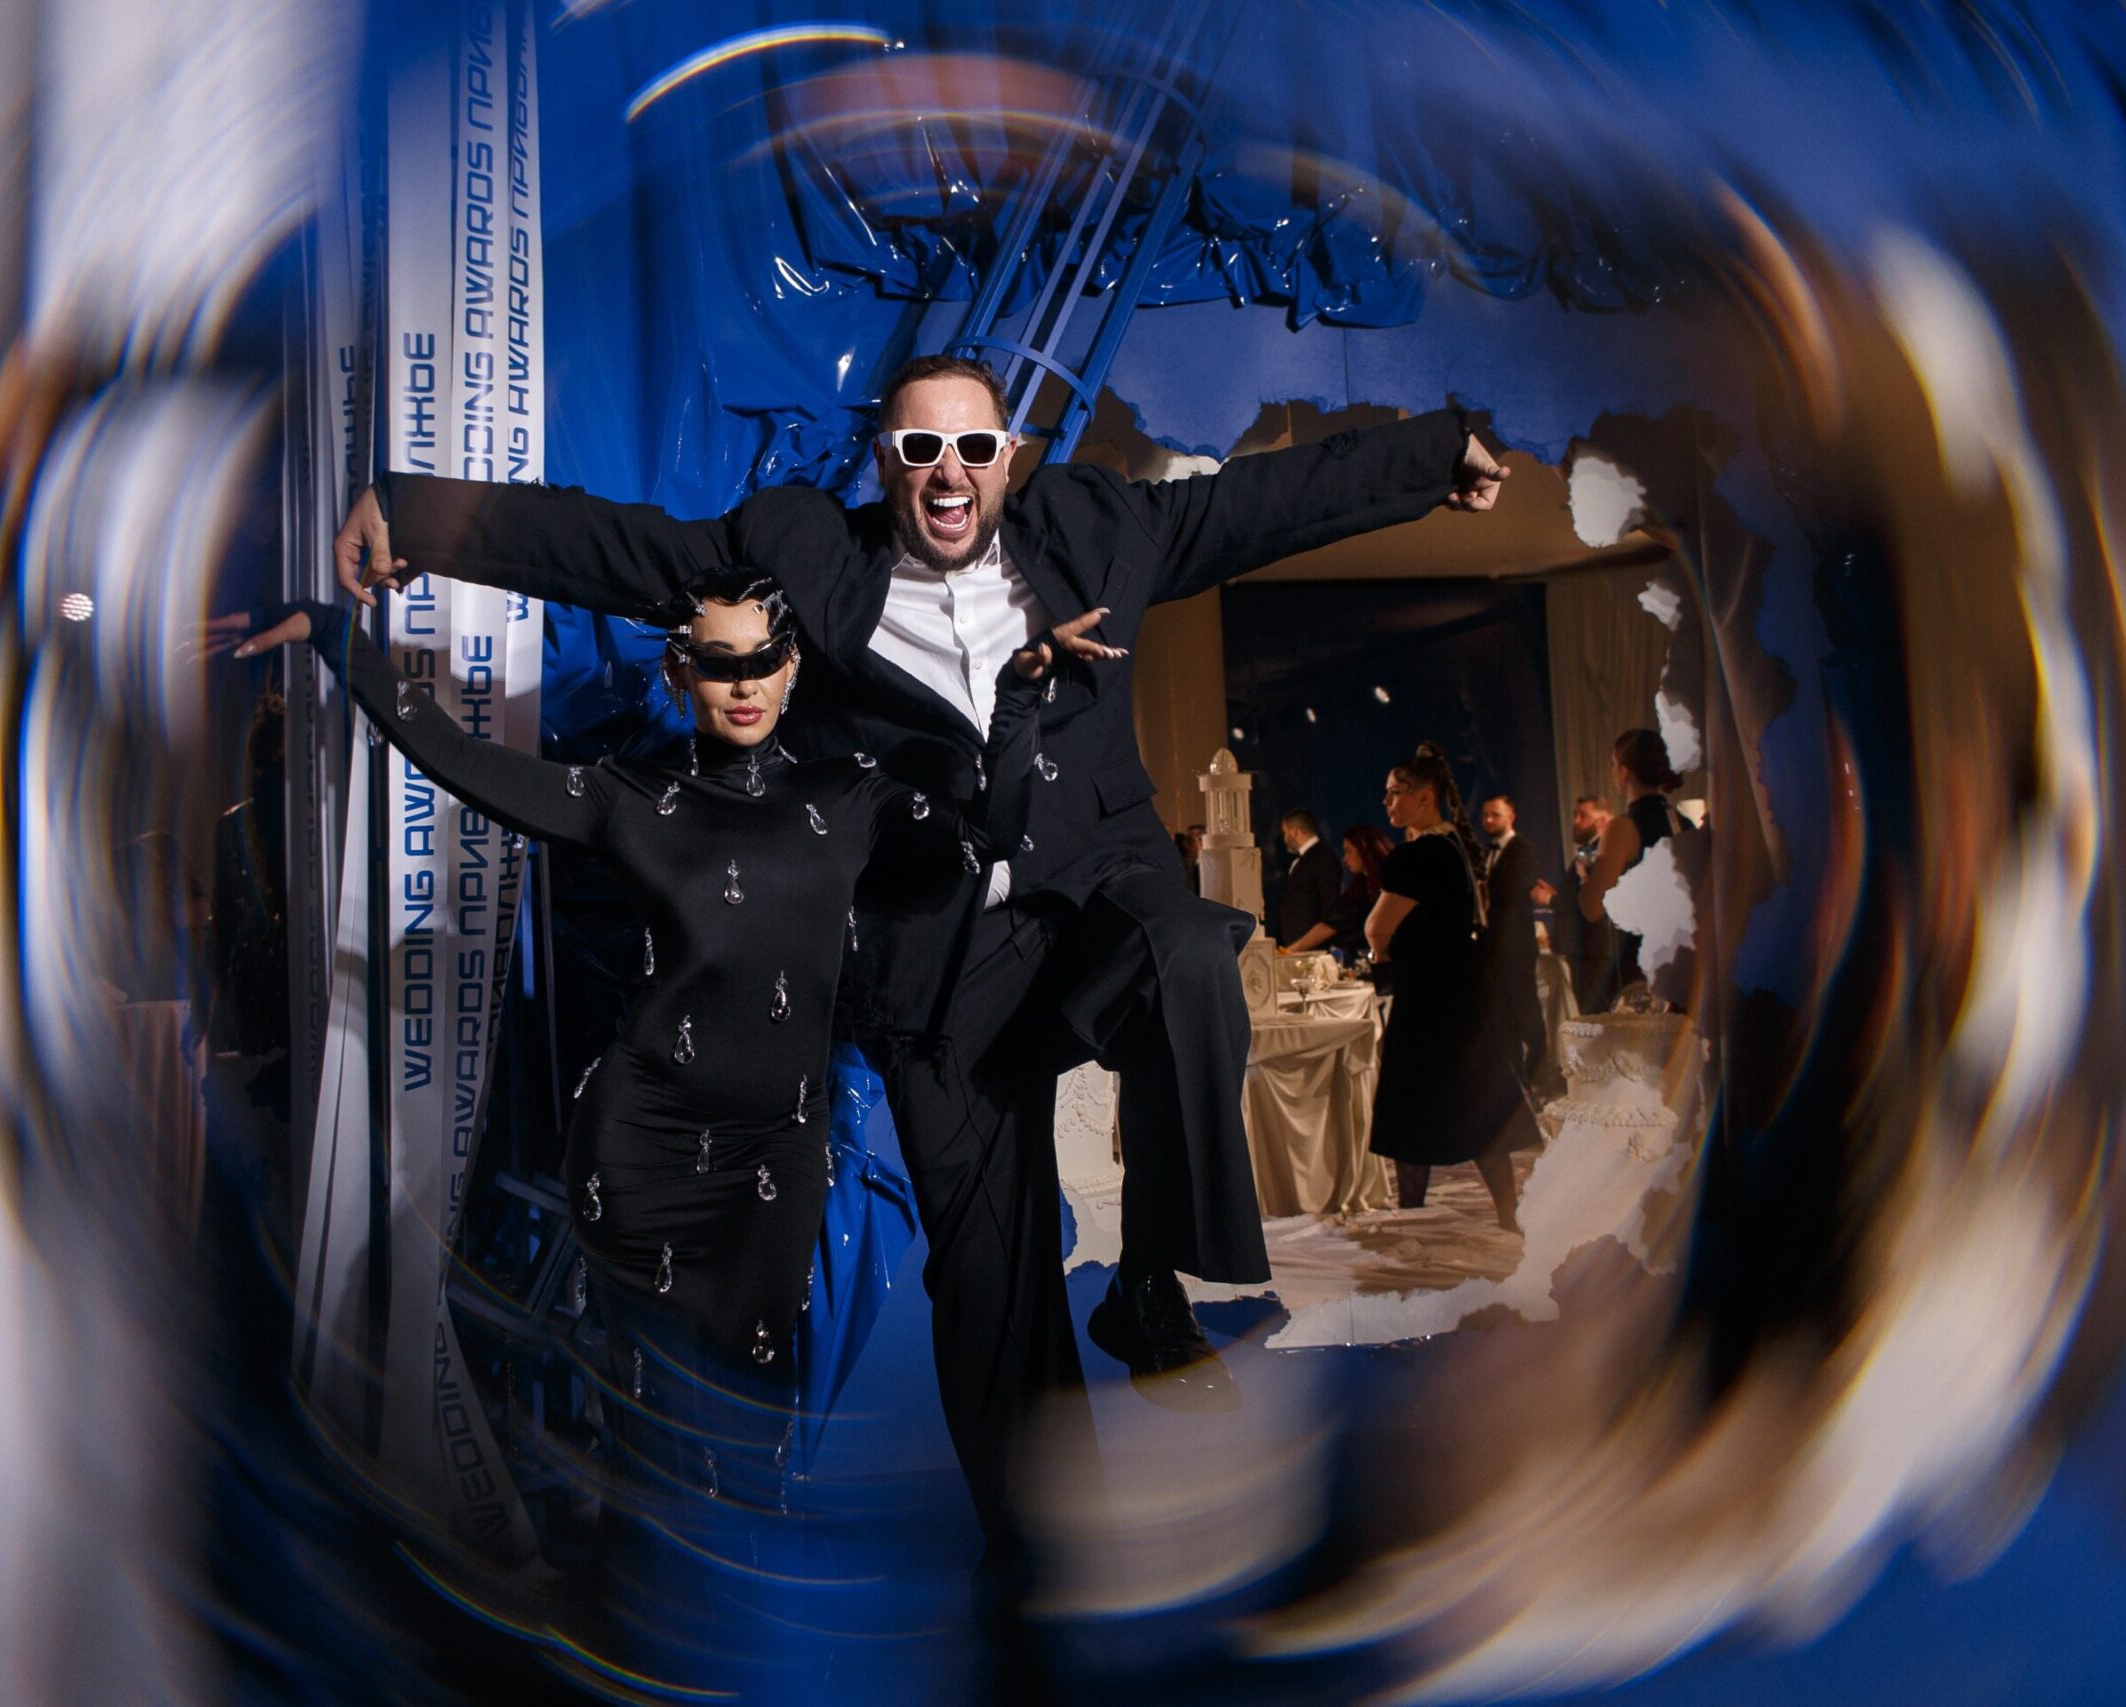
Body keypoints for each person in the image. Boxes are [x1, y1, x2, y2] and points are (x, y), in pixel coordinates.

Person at [309, 350, 1510, 1553]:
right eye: (921, 448)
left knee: (1191, 954)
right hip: (945, 963)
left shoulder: (1097, 530)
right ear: (885, 463)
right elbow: (619, 549)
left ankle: (1151, 1287)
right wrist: (417, 516)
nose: (948, 471)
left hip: (1099, 898)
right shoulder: (804, 559)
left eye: (973, 447)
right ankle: (1036, 1559)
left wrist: (1434, 450)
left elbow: (1263, 500)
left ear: (1009, 459)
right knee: (992, 1283)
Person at [210, 577, 1105, 1507]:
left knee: (756, 1429)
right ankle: (638, 1579)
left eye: (763, 659)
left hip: (777, 1149)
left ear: (793, 667)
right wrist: (333, 633)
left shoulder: (850, 796)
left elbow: (986, 838)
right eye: (718, 664)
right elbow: (457, 757)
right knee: (650, 1440)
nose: (744, 683)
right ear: (680, 672)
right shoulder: (630, 796)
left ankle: (727, 1583)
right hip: (639, 1154)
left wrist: (1018, 704)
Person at [1364, 747, 1523, 1233]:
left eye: (1395, 792)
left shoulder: (1416, 856)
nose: (1387, 802)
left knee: (1412, 1103)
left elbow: (1376, 929)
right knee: (1476, 1101)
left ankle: (1412, 1215)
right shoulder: (1455, 846)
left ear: (1425, 796)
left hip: (1428, 997)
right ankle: (1508, 1214)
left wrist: (1380, 955)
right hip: (1466, 991)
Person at [1580, 729, 1680, 998]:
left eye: (1613, 764)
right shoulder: (1683, 823)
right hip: (1682, 959)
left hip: (1640, 965)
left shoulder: (1623, 827)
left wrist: (1586, 876)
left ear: (1624, 772)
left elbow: (1592, 907)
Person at [1477, 794, 1545, 1081]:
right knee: (1502, 1015)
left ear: (1511, 816)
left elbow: (1516, 892)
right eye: (1485, 815)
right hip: (1492, 947)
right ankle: (1514, 1077)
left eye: (1496, 814)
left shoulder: (1523, 850)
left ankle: (1540, 1070)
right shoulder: (1485, 853)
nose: (1489, 820)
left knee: (1524, 1010)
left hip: (1516, 946)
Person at [1533, 794, 1616, 1011]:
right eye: (1575, 815)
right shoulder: (1589, 850)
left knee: (1596, 1015)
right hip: (1585, 950)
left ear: (1602, 820)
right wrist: (1558, 895)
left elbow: (1592, 899)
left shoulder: (1602, 851)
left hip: (1593, 949)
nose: (1576, 821)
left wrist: (1550, 899)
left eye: (1583, 816)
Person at [1283, 822, 1391, 961]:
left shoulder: (1388, 884)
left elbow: (1329, 926)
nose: (1345, 859)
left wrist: (1288, 952)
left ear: (1365, 851)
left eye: (1349, 851)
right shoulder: (1359, 888)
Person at [1273, 809, 1345, 952]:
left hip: (1313, 949)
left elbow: (1329, 908)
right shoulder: (1302, 860)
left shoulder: (1324, 859)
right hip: (1296, 948)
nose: (1284, 838)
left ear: (1295, 832)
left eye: (1285, 833)